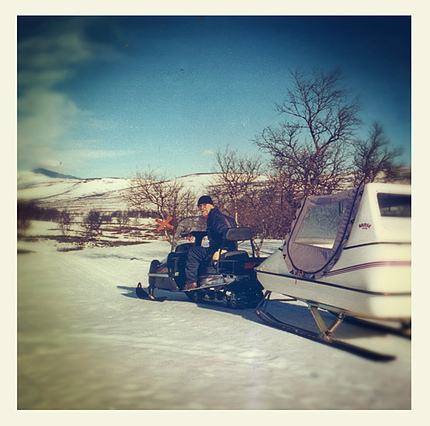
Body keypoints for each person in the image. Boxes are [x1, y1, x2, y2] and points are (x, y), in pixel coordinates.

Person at [183, 195, 237, 290]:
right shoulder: (225, 217)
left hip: (221, 249)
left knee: (193, 252)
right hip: (231, 249)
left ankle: (191, 282)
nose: (202, 208)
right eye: (200, 206)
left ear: (212, 205)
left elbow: (225, 233)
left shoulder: (215, 218)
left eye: (204, 204)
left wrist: (222, 250)